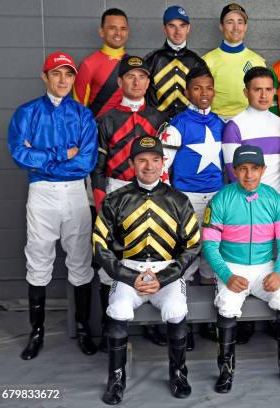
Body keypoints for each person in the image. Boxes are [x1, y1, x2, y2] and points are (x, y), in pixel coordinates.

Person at [94, 136, 200, 404]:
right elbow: (99, 245)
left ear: (163, 162)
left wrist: (164, 277)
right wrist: (129, 276)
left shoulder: (179, 199)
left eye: (154, 160)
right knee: (117, 311)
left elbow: (194, 245)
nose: (149, 166)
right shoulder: (115, 199)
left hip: (167, 271)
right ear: (131, 164)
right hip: (129, 270)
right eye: (142, 160)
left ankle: (178, 373)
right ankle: (116, 378)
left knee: (176, 311)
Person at [8, 52, 98, 359]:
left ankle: (84, 328)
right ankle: (36, 332)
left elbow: (86, 161)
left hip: (75, 192)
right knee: (38, 257)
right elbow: (20, 154)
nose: (63, 80)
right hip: (42, 192)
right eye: (56, 74)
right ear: (45, 76)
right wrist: (63, 154)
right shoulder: (27, 112)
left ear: (74, 79)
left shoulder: (83, 115)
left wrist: (44, 155)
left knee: (81, 259)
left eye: (68, 75)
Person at [202, 145, 280, 393]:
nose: (248, 175)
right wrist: (227, 275)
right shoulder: (221, 198)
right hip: (232, 266)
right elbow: (210, 246)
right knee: (227, 305)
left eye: (254, 168)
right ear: (234, 171)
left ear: (263, 170)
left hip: (265, 266)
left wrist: (278, 273)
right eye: (242, 169)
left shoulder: (275, 200)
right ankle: (226, 369)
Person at [91, 55, 168, 351]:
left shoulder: (159, 118)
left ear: (148, 82)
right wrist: (101, 204)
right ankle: (110, 326)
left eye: (142, 77)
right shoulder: (106, 120)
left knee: (150, 251)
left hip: (152, 191)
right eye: (130, 77)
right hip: (117, 191)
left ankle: (151, 325)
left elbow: (166, 162)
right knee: (110, 256)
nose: (137, 82)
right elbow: (97, 167)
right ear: (121, 81)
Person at [160, 64, 225, 344]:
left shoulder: (222, 124)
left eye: (209, 88)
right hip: (186, 200)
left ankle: (210, 323)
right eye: (197, 88)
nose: (204, 93)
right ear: (187, 91)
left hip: (218, 200)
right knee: (185, 259)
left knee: (213, 260)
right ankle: (181, 322)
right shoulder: (176, 125)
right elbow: (163, 168)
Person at [223, 67, 280, 201]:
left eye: (268, 89)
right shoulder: (234, 127)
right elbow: (234, 174)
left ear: (274, 91)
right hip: (248, 204)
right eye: (257, 90)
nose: (264, 95)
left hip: (278, 203)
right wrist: (253, 203)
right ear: (246, 92)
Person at [203, 3, 266, 120]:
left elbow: (264, 99)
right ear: (221, 26)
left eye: (240, 22)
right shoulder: (206, 61)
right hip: (215, 122)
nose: (236, 27)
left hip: (249, 122)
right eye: (230, 22)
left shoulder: (258, 61)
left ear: (245, 27)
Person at [145, 5, 206, 120]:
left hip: (189, 124)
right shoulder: (151, 60)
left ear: (188, 28)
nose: (178, 31)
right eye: (172, 26)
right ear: (164, 29)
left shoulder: (197, 62)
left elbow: (204, 97)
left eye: (182, 26)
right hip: (156, 125)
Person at [74, 8, 129, 118]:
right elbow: (79, 110)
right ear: (101, 32)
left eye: (123, 28)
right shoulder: (88, 65)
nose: (118, 33)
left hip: (130, 132)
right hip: (99, 132)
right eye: (112, 28)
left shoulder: (135, 64)